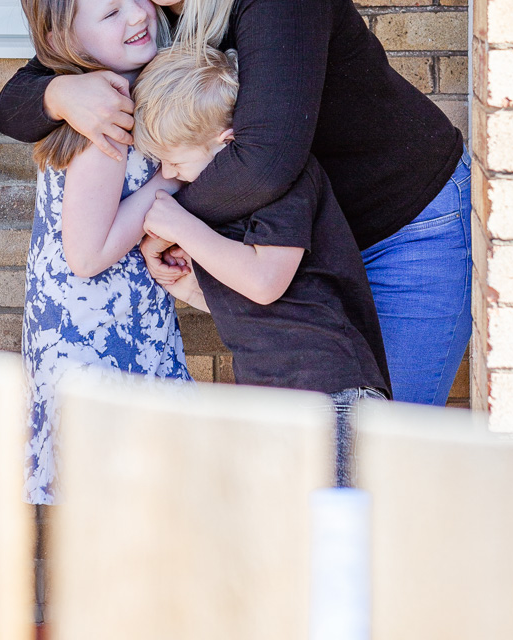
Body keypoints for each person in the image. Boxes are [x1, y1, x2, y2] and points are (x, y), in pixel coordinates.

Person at [0, 0, 472, 407]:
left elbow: (263, 163)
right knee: (330, 459)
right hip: (306, 245)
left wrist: (158, 222)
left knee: (387, 449)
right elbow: (15, 99)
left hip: (402, 228)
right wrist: (62, 95)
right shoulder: (145, 8)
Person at [132, 45, 391, 486]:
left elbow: (266, 282)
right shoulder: (225, 203)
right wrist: (190, 289)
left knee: (337, 536)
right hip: (274, 401)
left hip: (331, 394)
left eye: (176, 160)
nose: (170, 174)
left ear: (226, 141)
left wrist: (180, 225)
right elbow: (257, 307)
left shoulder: (284, 179)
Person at [18, 0, 191, 505]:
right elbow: (86, 255)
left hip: (108, 325)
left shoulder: (117, 92)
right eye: (111, 12)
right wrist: (165, 186)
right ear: (67, 42)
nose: (139, 14)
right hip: (97, 338)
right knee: (118, 501)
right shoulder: (106, 116)